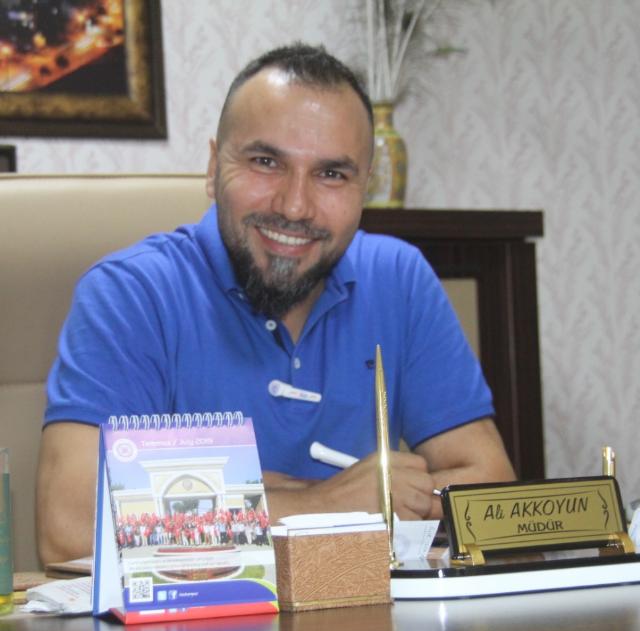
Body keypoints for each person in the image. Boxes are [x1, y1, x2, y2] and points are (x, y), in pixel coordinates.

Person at [36, 42, 515, 565]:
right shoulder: (129, 294)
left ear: (366, 186)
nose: (294, 206)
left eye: (332, 174)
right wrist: (327, 505)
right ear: (213, 167)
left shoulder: (399, 277)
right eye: (266, 162)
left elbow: (488, 491)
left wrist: (218, 507)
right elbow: (72, 526)